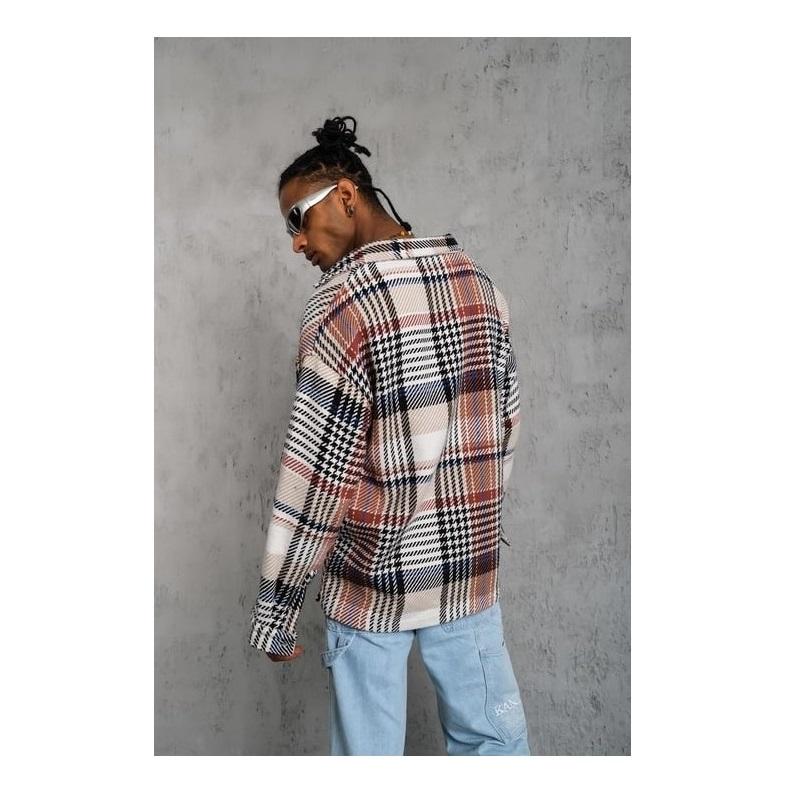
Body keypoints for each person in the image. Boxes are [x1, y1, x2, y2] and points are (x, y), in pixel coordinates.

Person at [248, 115, 530, 756]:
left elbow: (316, 476)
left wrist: (277, 610)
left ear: (346, 196)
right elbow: (507, 425)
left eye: (298, 219)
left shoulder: (341, 306)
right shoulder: (478, 283)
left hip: (369, 583)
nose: (296, 242)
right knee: (493, 748)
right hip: (467, 574)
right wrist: (473, 518)